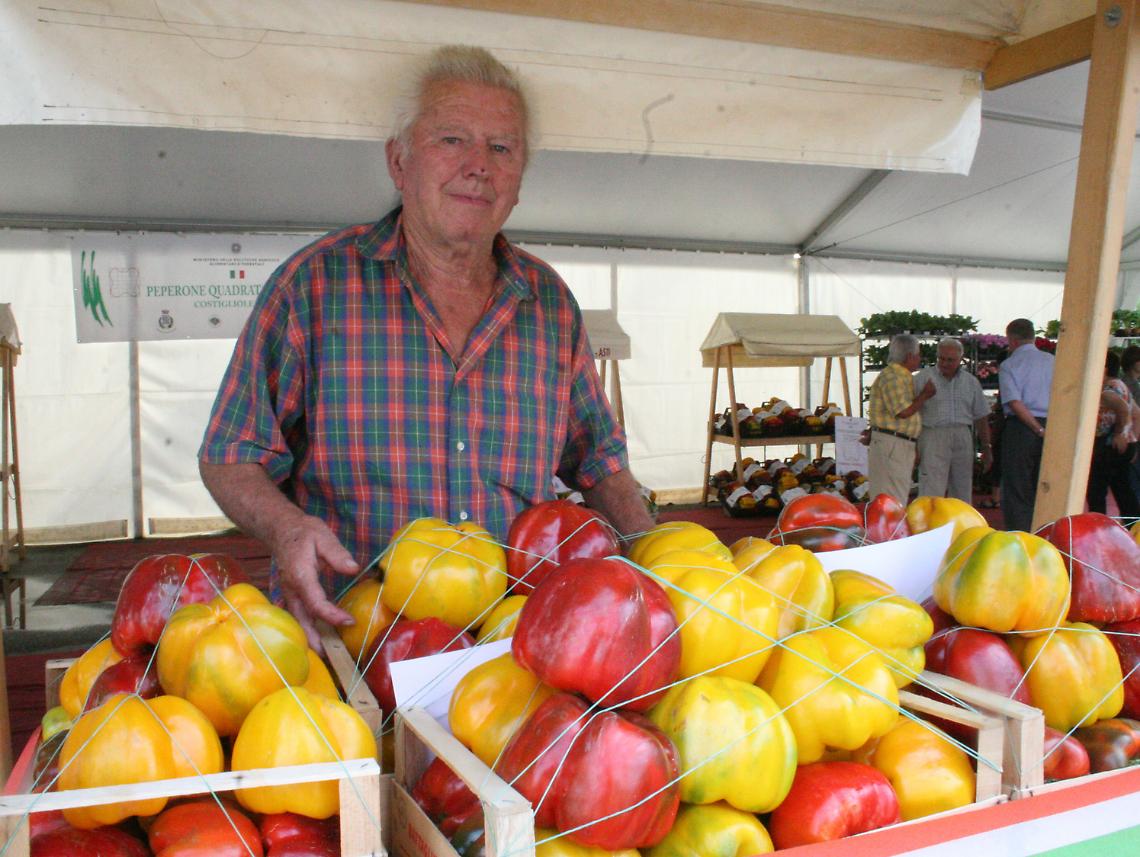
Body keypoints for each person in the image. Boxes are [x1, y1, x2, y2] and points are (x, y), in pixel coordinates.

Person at [198, 45, 654, 648]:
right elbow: (230, 452)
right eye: (451, 140)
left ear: (520, 177)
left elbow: (599, 461)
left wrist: (658, 563)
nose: (478, 166)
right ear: (398, 161)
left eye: (501, 147)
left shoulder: (548, 304)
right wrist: (286, 527)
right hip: (351, 641)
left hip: (509, 653)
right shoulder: (314, 286)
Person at [914, 337, 993, 502]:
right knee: (931, 486)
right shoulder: (922, 378)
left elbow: (981, 416)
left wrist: (986, 447)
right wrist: (913, 445)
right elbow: (913, 413)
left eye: (950, 360)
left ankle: (961, 525)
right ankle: (928, 525)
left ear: (960, 359)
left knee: (962, 486)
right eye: (941, 358)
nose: (945, 363)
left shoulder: (970, 382)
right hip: (932, 433)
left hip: (962, 434)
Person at [997, 318, 1054, 532]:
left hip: (1021, 428)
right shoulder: (1052, 360)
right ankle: (1047, 534)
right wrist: (1047, 430)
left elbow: (1014, 402)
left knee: (1017, 489)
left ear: (1011, 340)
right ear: (1034, 337)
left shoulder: (1009, 364)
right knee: (1046, 486)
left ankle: (1021, 539)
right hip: (1050, 425)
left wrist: (1036, 429)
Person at [867, 334, 936, 505]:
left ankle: (891, 530)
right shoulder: (893, 377)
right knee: (892, 497)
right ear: (910, 356)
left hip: (897, 442)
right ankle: (889, 531)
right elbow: (902, 411)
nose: (920, 358)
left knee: (896, 493)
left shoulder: (902, 376)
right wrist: (925, 396)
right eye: (918, 354)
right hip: (893, 443)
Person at [1086, 351, 1140, 521]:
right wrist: (1133, 440)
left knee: (1097, 490)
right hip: (1123, 446)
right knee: (1124, 490)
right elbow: (1136, 413)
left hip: (1109, 446)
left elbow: (1123, 409)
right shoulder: (1120, 385)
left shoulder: (1108, 390)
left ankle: (1099, 525)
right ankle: (1133, 527)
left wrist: (1119, 434)